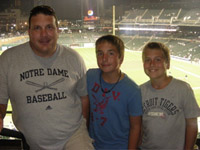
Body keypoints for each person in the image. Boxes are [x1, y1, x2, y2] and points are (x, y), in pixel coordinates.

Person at [0, 5, 93, 150]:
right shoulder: (8, 60)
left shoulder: (74, 58)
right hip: (34, 141)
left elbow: (84, 97)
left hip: (74, 135)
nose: (44, 34)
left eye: (49, 27)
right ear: (29, 32)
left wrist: (84, 128)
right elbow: (1, 101)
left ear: (58, 31)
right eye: (37, 28)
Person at [140, 42, 200, 150]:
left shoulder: (183, 89)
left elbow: (192, 125)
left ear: (167, 64)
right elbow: (138, 126)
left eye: (158, 59)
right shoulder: (139, 91)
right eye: (147, 60)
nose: (152, 64)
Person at [87, 34, 143, 149]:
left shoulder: (132, 91)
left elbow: (136, 127)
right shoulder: (90, 76)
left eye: (110, 53)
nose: (104, 58)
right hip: (92, 145)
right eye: (100, 53)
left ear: (121, 58)